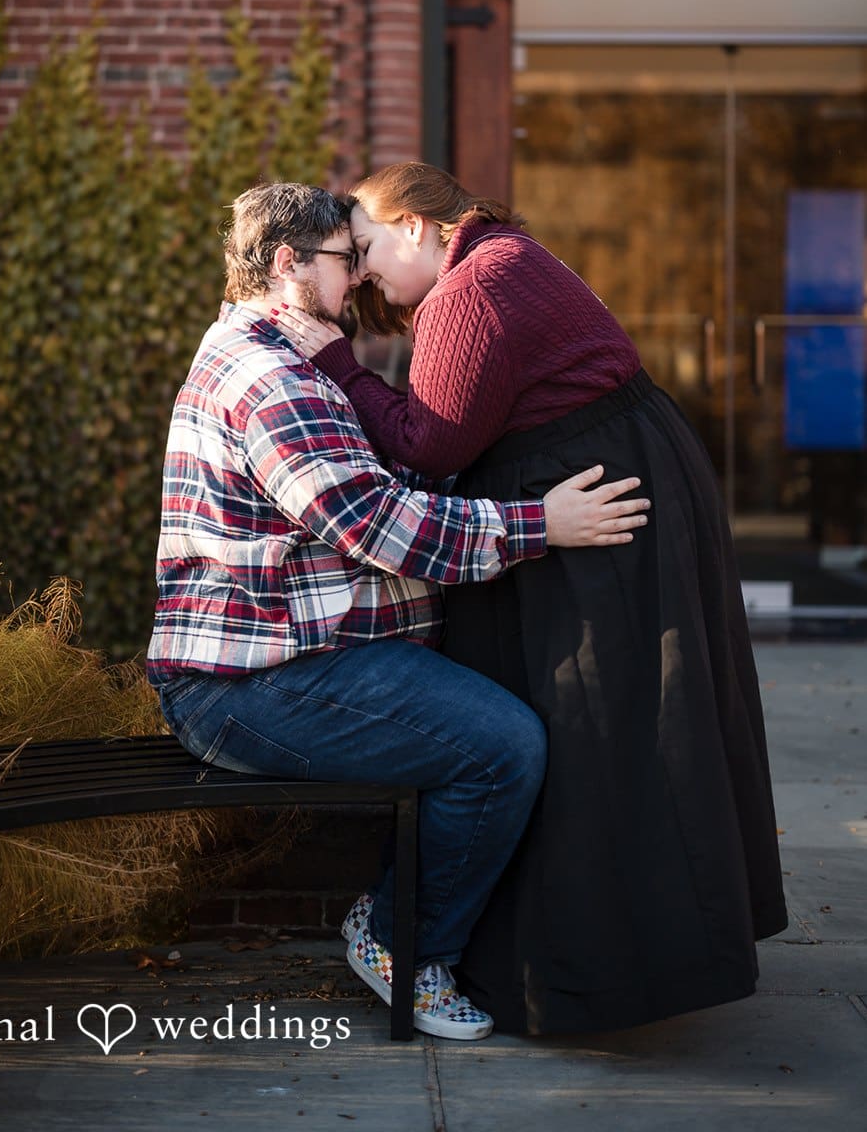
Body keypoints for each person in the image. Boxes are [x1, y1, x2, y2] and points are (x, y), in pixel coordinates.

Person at [275, 162, 788, 1036]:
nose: (359, 274)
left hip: (596, 515)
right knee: (621, 721)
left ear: (414, 226)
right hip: (604, 490)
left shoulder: (473, 287)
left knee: (599, 725)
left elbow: (428, 445)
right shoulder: (502, 260)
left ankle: (585, 972)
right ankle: (621, 958)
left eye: (364, 249)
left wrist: (335, 363)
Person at [146, 182, 651, 1041]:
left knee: (500, 717)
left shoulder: (292, 358)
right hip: (248, 683)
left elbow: (390, 480)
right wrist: (540, 524)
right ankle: (399, 943)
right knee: (500, 748)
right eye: (346, 260)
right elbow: (376, 523)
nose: (359, 279)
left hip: (299, 657)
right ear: (288, 263)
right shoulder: (269, 378)